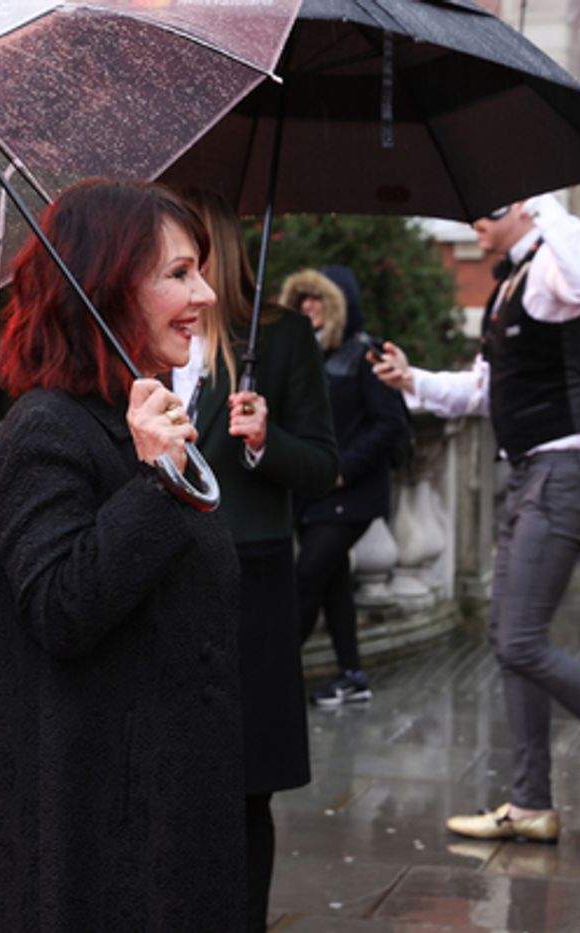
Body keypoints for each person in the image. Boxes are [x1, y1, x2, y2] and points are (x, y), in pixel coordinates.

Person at [0, 180, 246, 931]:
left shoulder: (138, 418)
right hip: (93, 841)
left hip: (167, 813)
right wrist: (157, 481)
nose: (205, 292)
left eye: (197, 268)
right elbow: (62, 606)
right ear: (107, 288)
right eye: (178, 273)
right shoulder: (44, 431)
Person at [373, 193, 580, 852]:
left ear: (521, 208)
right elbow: (483, 392)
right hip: (535, 471)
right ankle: (529, 804)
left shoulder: (556, 264)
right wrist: (413, 380)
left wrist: (546, 203)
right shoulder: (509, 289)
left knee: (520, 638)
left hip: (568, 468)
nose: (474, 226)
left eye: (486, 213)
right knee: (508, 634)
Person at [171, 188, 337, 931]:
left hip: (250, 580)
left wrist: (265, 441)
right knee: (168, 779)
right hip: (162, 579)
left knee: (243, 786)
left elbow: (323, 465)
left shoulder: (278, 338)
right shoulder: (139, 339)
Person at [282, 265, 409, 707]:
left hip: (349, 495)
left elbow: (391, 424)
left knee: (308, 576)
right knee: (332, 582)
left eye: (319, 300)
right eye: (303, 300)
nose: (310, 308)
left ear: (341, 305)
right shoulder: (306, 354)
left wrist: (342, 468)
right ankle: (352, 675)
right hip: (311, 492)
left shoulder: (365, 354)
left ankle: (271, 674)